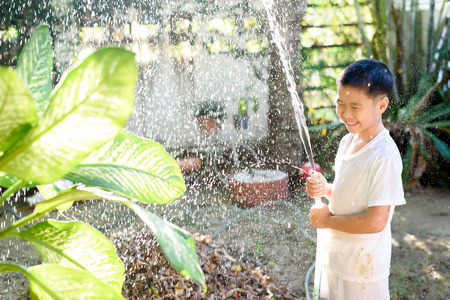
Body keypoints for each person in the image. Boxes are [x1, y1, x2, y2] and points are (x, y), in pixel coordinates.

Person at [306, 59, 406, 299]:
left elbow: (375, 221)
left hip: (363, 270)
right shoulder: (347, 141)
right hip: (337, 259)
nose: (345, 114)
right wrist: (325, 188)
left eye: (355, 107)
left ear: (381, 105)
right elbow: (351, 193)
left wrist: (327, 221)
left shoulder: (384, 155)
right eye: (340, 104)